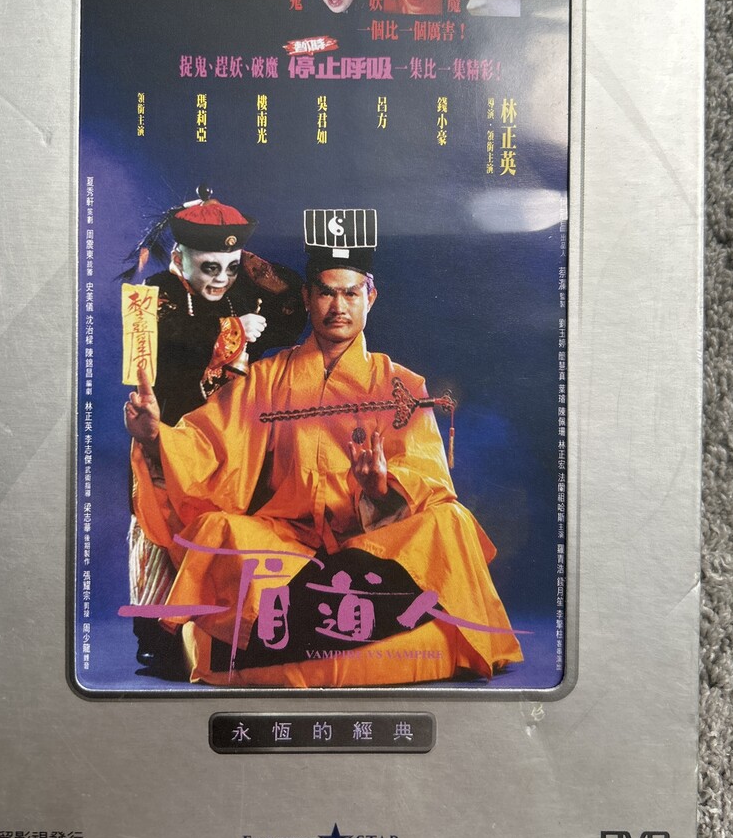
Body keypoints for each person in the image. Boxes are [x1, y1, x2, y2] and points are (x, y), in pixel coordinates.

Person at [125, 215, 523, 688]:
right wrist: (155, 435)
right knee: (219, 531)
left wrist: (380, 487)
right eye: (326, 293)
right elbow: (208, 445)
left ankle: (284, 634)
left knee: (449, 522)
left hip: (371, 547)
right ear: (307, 297)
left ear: (370, 298)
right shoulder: (267, 378)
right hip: (285, 547)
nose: (339, 307)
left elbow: (430, 483)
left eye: (351, 293)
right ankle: (358, 626)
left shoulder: (401, 386)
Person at [123, 187, 305, 676]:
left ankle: (210, 633)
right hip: (168, 431)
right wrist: (232, 332)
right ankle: (155, 638)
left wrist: (238, 251)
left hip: (229, 445)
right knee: (158, 530)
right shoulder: (151, 293)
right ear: (179, 255)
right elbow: (145, 350)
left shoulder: (238, 290)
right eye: (209, 268)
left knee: (218, 532)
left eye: (231, 268)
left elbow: (293, 306)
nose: (221, 280)